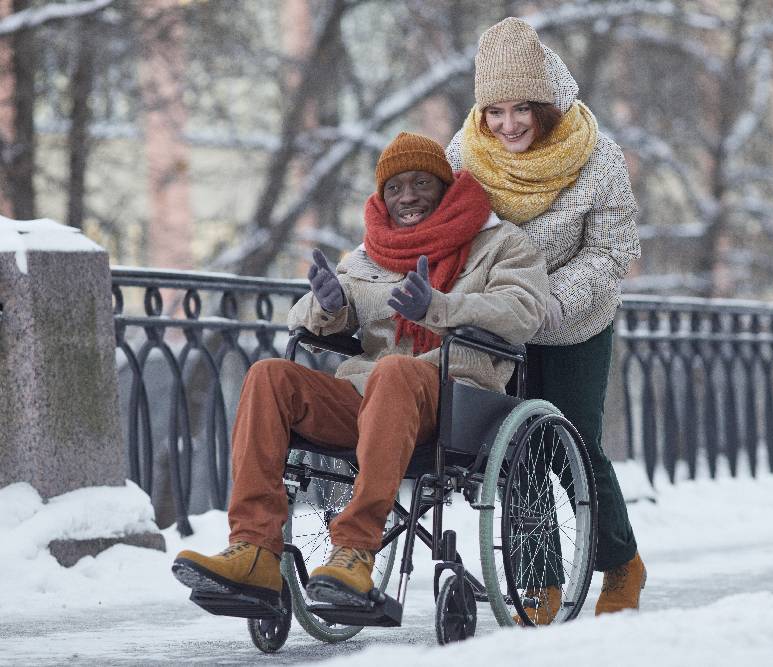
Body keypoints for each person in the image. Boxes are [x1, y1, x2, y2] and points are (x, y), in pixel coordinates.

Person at [172, 131, 547, 608]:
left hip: (456, 398)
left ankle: (355, 550)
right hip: (368, 397)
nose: (406, 197)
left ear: (445, 186)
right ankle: (254, 552)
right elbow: (304, 315)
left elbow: (524, 313)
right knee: (269, 376)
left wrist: (440, 306)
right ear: (382, 197)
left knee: (394, 370)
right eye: (394, 188)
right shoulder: (371, 255)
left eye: (419, 184)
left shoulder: (499, 243)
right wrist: (328, 306)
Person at [446, 17, 644, 621]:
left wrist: (549, 302)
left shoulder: (594, 156)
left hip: (573, 319)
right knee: (511, 447)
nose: (507, 126)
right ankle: (539, 577)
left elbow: (615, 251)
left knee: (573, 443)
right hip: (496, 321)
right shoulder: (464, 157)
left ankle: (622, 562)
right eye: (495, 112)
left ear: (543, 105)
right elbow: (443, 233)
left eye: (520, 110)